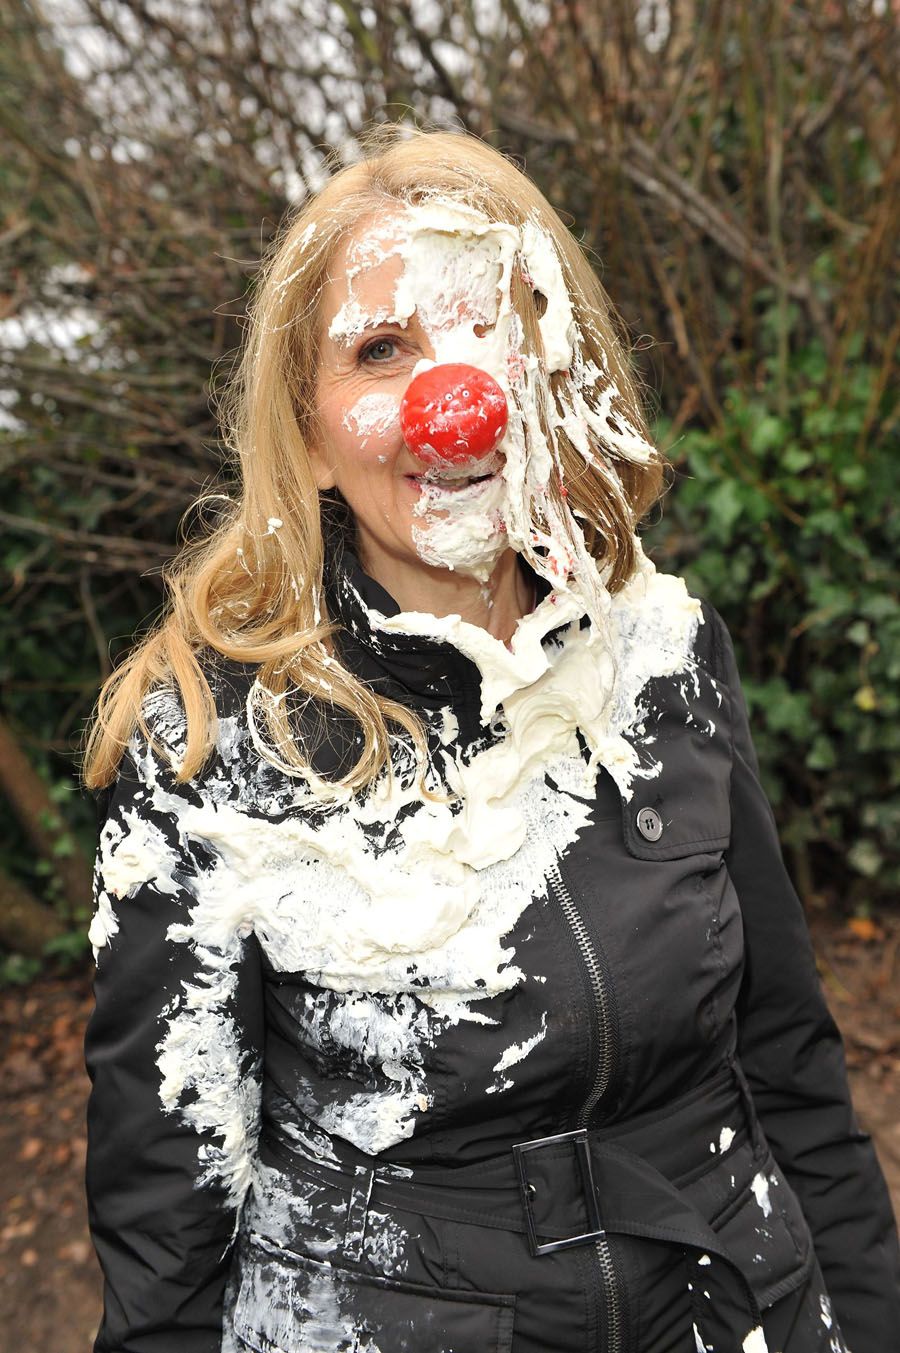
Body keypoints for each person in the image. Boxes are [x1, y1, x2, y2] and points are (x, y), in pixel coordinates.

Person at [83, 126, 899, 1353]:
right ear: (307, 431)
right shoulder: (209, 749)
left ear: (553, 366)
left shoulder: (663, 654)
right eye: (380, 350)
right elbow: (166, 1231)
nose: (447, 399)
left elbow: (787, 1063)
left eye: (488, 331)